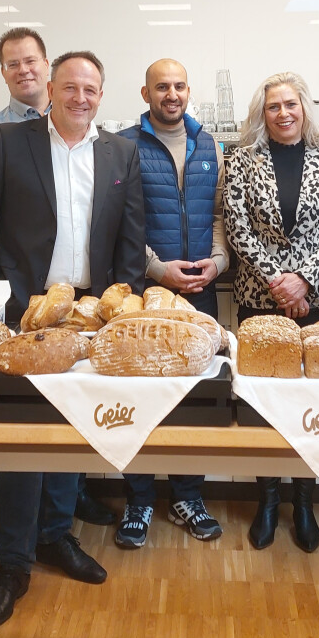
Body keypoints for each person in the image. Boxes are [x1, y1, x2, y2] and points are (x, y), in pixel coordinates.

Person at [0, 50, 145, 631]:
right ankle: (13, 560)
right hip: (27, 314)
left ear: (101, 93)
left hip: (89, 317)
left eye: (91, 88)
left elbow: (130, 240)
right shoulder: (11, 143)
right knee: (24, 438)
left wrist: (119, 305)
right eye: (70, 87)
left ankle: (54, 535)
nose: (80, 98)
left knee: (72, 431)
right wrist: (13, 300)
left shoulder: (119, 151)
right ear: (52, 88)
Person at [223, 71, 319, 555]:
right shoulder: (241, 160)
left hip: (318, 298)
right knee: (264, 405)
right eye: (273, 106)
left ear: (304, 108)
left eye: (290, 104)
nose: (283, 113)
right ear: (262, 113)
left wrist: (302, 280)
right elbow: (237, 227)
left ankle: (304, 502)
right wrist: (280, 282)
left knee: (310, 405)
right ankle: (268, 500)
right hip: (260, 298)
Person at [114, 58, 228, 548]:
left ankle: (188, 495)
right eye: (162, 87)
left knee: (193, 400)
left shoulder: (210, 145)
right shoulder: (121, 146)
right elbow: (114, 222)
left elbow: (221, 214)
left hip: (202, 293)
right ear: (146, 93)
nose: (172, 94)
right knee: (140, 399)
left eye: (180, 85)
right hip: (146, 292)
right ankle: (139, 499)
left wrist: (218, 261)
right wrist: (158, 269)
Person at [0, 27, 51, 137]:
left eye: (30, 61)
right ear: (3, 73)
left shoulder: (76, 122)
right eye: (13, 64)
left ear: (46, 65)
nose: (23, 70)